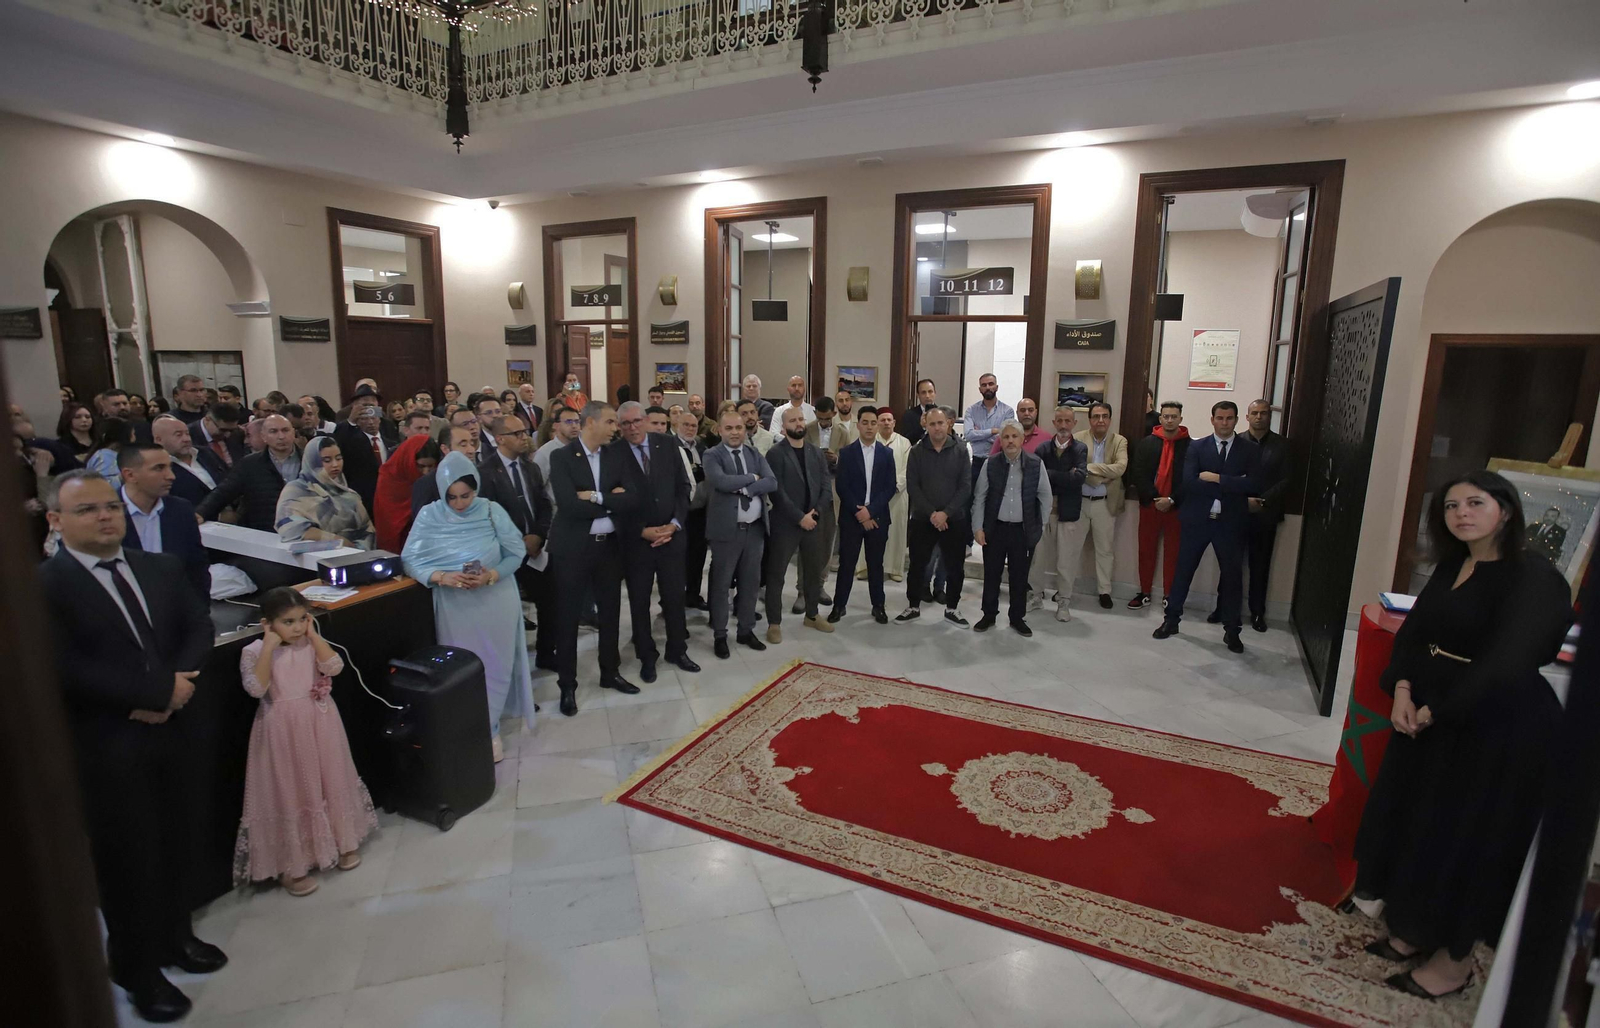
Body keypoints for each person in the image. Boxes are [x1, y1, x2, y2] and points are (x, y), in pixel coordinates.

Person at [1353, 470, 1572, 1000]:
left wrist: (1437, 709)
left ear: (1507, 510)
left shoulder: (1535, 578)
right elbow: (1416, 633)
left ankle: (1453, 965)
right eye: (1451, 506)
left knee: (1467, 840)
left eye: (1476, 503)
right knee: (1421, 825)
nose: (1462, 514)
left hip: (1496, 728)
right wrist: (1402, 688)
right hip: (1431, 716)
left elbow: (1508, 663)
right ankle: (1412, 930)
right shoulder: (1455, 563)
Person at [38, 470, 226, 1022]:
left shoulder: (158, 567)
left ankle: (177, 938)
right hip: (108, 742)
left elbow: (198, 625)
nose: (105, 517)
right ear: (56, 521)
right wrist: (149, 693)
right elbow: (63, 668)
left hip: (176, 729)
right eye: (87, 510)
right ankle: (136, 969)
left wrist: (179, 684)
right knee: (127, 860)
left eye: (110, 507)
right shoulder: (45, 587)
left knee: (178, 840)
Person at [236, 588, 376, 896]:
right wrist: (269, 647)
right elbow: (256, 688)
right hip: (281, 728)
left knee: (329, 778)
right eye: (288, 622)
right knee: (291, 788)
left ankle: (342, 841)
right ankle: (292, 864)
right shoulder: (255, 650)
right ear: (268, 623)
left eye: (302, 619)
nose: (297, 627)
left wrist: (314, 638)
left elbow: (334, 667)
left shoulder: (309, 643)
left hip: (319, 721)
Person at [403, 453, 537, 759]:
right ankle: (466, 727)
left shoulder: (491, 511)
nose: (460, 504)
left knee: (496, 665)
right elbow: (410, 559)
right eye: (452, 497)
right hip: (455, 605)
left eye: (466, 495)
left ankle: (490, 729)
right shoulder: (429, 516)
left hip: (496, 600)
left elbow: (515, 553)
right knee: (461, 668)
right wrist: (442, 577)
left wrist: (491, 575)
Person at [546, 401, 638, 714]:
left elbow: (633, 499)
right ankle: (567, 685)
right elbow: (569, 506)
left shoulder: (617, 454)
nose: (617, 428)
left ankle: (609, 673)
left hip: (609, 546)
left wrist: (598, 497)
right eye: (611, 422)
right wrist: (614, 501)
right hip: (573, 549)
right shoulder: (562, 457)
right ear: (590, 423)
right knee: (569, 617)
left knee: (611, 613)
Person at [1152, 401, 1258, 653]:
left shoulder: (1248, 450)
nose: (1224, 423)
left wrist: (1216, 478)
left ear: (1236, 420)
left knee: (1232, 578)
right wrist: (1234, 483)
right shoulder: (1197, 447)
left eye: (1229, 418)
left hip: (1230, 523)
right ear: (1212, 420)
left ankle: (1232, 631)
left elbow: (1253, 484)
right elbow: (1189, 482)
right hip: (1197, 520)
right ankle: (1171, 620)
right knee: (1183, 572)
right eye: (1220, 418)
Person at [612, 402, 698, 680]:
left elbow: (683, 488)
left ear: (647, 420)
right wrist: (641, 531)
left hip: (671, 538)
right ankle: (647, 656)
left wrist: (674, 524)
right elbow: (612, 503)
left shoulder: (667, 445)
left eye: (637, 421)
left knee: (674, 598)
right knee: (639, 602)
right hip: (637, 543)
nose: (632, 428)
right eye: (625, 424)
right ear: (619, 427)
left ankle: (677, 649)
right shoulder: (612, 453)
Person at [704, 406, 778, 657]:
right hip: (726, 531)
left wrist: (746, 488)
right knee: (722, 584)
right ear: (719, 430)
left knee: (750, 583)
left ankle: (746, 630)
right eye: (729, 428)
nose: (735, 432)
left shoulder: (754, 452)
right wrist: (751, 478)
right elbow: (720, 482)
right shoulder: (712, 455)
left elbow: (772, 482)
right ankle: (720, 634)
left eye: (739, 427)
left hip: (755, 530)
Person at [475, 414, 554, 650]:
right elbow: (488, 516)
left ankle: (547, 653)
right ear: (500, 439)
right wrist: (518, 541)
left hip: (535, 546)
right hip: (505, 551)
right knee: (507, 610)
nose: (524, 437)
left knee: (550, 602)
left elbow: (544, 504)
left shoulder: (530, 468)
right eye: (517, 433)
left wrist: (539, 535)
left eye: (524, 432)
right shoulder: (485, 472)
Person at [972, 420, 1052, 636]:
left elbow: (1045, 496)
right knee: (992, 575)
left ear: (1022, 439)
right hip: (995, 529)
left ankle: (1017, 618)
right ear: (1001, 440)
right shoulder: (991, 463)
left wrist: (1040, 527)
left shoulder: (1036, 464)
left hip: (1022, 531)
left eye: (1014, 437)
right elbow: (980, 497)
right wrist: (978, 527)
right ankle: (988, 615)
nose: (1009, 441)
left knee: (1019, 577)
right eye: (1005, 437)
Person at [898, 405, 972, 626]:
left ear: (948, 424)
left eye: (941, 423)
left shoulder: (960, 450)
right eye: (932, 424)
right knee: (917, 565)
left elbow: (965, 486)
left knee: (955, 566)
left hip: (954, 519)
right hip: (923, 518)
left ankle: (952, 608)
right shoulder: (917, 451)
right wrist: (932, 514)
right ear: (926, 425)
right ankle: (913, 605)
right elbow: (913, 486)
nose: (937, 427)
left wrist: (945, 514)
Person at [764, 405, 832, 639]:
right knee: (777, 574)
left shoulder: (815, 452)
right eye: (793, 420)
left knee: (813, 572)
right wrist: (799, 517)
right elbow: (776, 491)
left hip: (813, 521)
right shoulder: (775, 453)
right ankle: (774, 622)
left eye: (801, 419)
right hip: (785, 523)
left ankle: (812, 615)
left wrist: (815, 513)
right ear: (784, 427)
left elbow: (825, 486)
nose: (798, 423)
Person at [829, 406, 896, 625]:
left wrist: (871, 512)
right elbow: (842, 486)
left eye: (873, 423)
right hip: (852, 517)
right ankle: (839, 605)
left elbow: (889, 487)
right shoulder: (847, 453)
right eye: (865, 422)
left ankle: (878, 606)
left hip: (877, 518)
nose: (869, 427)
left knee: (875, 565)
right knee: (847, 564)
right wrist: (860, 513)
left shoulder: (887, 454)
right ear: (858, 425)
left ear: (878, 425)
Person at [118, 442, 209, 600]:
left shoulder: (181, 510)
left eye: (170, 467)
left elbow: (197, 570)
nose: (171, 476)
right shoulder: (104, 515)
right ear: (130, 475)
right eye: (159, 468)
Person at [1233, 398, 1290, 632]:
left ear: (1270, 416)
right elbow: (1228, 476)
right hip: (1237, 512)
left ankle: (1257, 613)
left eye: (1263, 413)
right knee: (1232, 565)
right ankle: (1228, 609)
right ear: (1247, 417)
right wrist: (1244, 500)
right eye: (1254, 413)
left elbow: (1287, 479)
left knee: (1260, 567)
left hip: (1266, 515)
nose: (1259, 417)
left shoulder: (1283, 445)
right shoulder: (1235, 443)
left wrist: (1263, 501)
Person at [1129, 401, 1190, 611]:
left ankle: (1169, 595)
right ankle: (1144, 592)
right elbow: (1139, 472)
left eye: (1174, 416)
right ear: (1160, 418)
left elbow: (1190, 478)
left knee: (1174, 553)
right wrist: (1156, 498)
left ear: (1181, 419)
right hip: (1150, 505)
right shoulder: (1146, 443)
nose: (1170, 420)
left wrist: (1172, 499)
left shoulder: (1191, 446)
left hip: (1177, 507)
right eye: (1166, 416)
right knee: (1146, 550)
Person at [1029, 406, 1088, 622]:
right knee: (1037, 559)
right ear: (1054, 423)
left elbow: (1079, 478)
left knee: (1066, 561)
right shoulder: (1043, 449)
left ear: (1074, 424)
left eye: (1067, 421)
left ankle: (1064, 602)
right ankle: (1035, 596)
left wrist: (1051, 476)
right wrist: (1065, 476)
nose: (1063, 425)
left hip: (1068, 512)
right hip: (1043, 513)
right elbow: (1036, 477)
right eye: (1059, 421)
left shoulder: (1080, 449)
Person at [197, 415, 303, 532]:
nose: (281, 436)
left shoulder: (312, 461)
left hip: (304, 529)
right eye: (273, 431)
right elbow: (224, 492)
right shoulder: (249, 464)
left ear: (293, 433)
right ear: (264, 436)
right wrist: (201, 512)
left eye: (285, 430)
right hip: (265, 531)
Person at [1072, 401, 1129, 609]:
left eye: (1104, 416)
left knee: (1105, 550)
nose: (1100, 420)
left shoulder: (1119, 441)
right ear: (1090, 420)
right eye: (1096, 416)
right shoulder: (1077, 438)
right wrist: (1099, 477)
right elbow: (1074, 469)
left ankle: (1104, 591)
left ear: (1110, 419)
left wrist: (1089, 469)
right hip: (1080, 503)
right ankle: (1065, 590)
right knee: (1072, 548)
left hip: (1105, 505)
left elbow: (1120, 468)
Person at [275, 436, 374, 549]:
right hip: (313, 562)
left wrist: (358, 551)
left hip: (356, 559)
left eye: (338, 458)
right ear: (312, 462)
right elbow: (290, 529)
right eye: (327, 460)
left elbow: (367, 531)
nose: (335, 464)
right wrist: (340, 542)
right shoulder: (296, 491)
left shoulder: (350, 495)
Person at [802, 395, 847, 600]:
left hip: (833, 492)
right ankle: (802, 589)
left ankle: (820, 584)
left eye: (827, 419)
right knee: (807, 543)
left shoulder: (843, 432)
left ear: (834, 414)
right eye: (820, 418)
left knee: (828, 543)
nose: (824, 422)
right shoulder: (806, 429)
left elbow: (848, 464)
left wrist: (836, 459)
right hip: (809, 492)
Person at [861, 408, 910, 582]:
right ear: (877, 423)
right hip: (874, 497)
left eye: (889, 420)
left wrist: (893, 486)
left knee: (896, 531)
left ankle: (895, 568)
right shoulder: (870, 442)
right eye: (882, 420)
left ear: (894, 422)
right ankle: (865, 567)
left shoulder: (904, 443)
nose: (886, 423)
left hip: (898, 495)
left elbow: (907, 469)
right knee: (871, 531)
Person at [373, 434, 438, 553]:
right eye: (421, 466)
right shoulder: (389, 477)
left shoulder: (435, 479)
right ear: (409, 460)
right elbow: (388, 520)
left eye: (431, 467)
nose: (426, 472)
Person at [674, 408, 711, 611]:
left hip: (700, 511)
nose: (689, 429)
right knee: (679, 558)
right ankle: (674, 598)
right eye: (685, 425)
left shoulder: (702, 447)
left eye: (693, 425)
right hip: (680, 511)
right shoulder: (671, 447)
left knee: (698, 555)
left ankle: (694, 595)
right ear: (677, 426)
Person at [409, 425, 475, 535]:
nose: (471, 450)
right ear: (445, 449)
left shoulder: (483, 475)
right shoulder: (426, 484)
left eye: (472, 444)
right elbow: (423, 528)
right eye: (463, 445)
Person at [151, 415, 224, 508]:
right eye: (178, 435)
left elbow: (228, 479)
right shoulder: (157, 468)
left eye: (187, 433)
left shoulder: (205, 453)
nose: (187, 439)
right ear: (159, 440)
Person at [962, 372, 1014, 490]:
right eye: (984, 385)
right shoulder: (971, 410)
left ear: (996, 387)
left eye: (991, 384)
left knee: (995, 498)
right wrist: (993, 431)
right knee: (975, 497)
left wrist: (980, 433)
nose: (988, 387)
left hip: (999, 461)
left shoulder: (1007, 411)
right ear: (980, 389)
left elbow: (1004, 438)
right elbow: (969, 435)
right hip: (977, 462)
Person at [534, 404, 581, 502]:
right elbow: (536, 487)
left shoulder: (584, 448)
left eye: (577, 422)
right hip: (557, 508)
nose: (574, 426)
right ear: (556, 425)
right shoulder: (545, 452)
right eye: (568, 422)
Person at [194, 401, 247, 468]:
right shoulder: (189, 437)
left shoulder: (238, 434)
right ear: (207, 419)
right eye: (223, 430)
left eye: (231, 430)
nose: (227, 434)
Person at [901, 378, 938, 446]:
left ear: (935, 393)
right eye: (923, 392)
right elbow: (905, 440)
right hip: (917, 452)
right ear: (918, 395)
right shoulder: (909, 414)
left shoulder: (942, 413)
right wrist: (921, 427)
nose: (927, 396)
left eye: (930, 392)